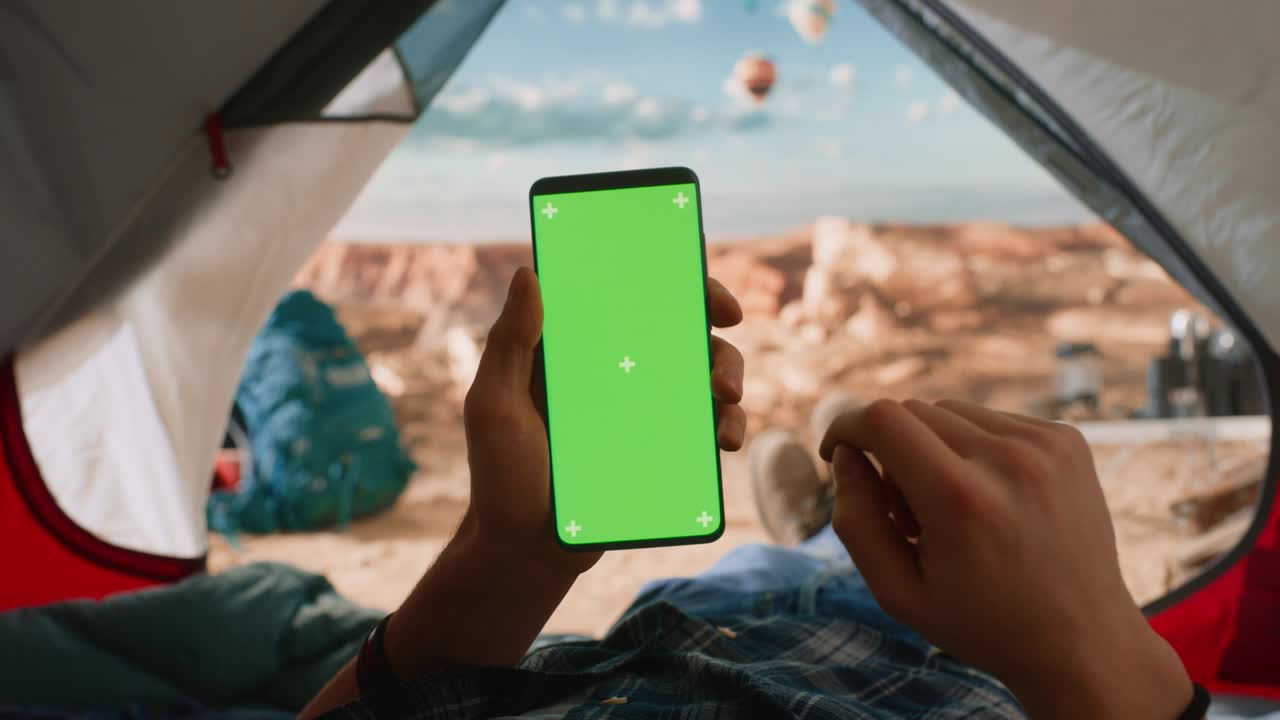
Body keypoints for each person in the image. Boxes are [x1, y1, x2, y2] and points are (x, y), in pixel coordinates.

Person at [301, 269, 1197, 720]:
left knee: (772, 567)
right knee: (861, 555)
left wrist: (513, 556)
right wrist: (1098, 657)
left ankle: (832, 531)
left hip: (693, 620)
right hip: (953, 650)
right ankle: (843, 531)